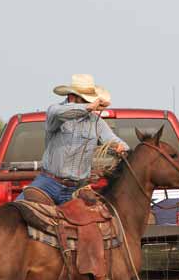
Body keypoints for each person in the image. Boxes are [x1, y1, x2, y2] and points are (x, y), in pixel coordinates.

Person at [18, 74, 129, 205]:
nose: (89, 104)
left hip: (78, 188)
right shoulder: (55, 111)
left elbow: (114, 141)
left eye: (90, 100)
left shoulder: (96, 122)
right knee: (17, 210)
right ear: (71, 97)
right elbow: (61, 113)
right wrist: (89, 107)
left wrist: (120, 148)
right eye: (86, 100)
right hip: (48, 183)